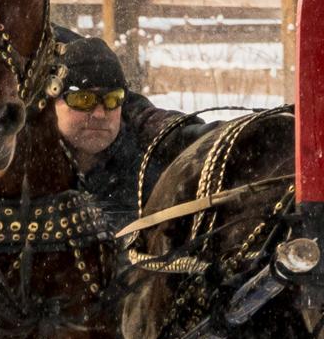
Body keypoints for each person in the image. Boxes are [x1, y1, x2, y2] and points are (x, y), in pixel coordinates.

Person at [49, 31, 207, 231]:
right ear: (51, 103)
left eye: (112, 99)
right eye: (83, 100)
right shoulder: (29, 174)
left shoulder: (147, 179)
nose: (99, 114)